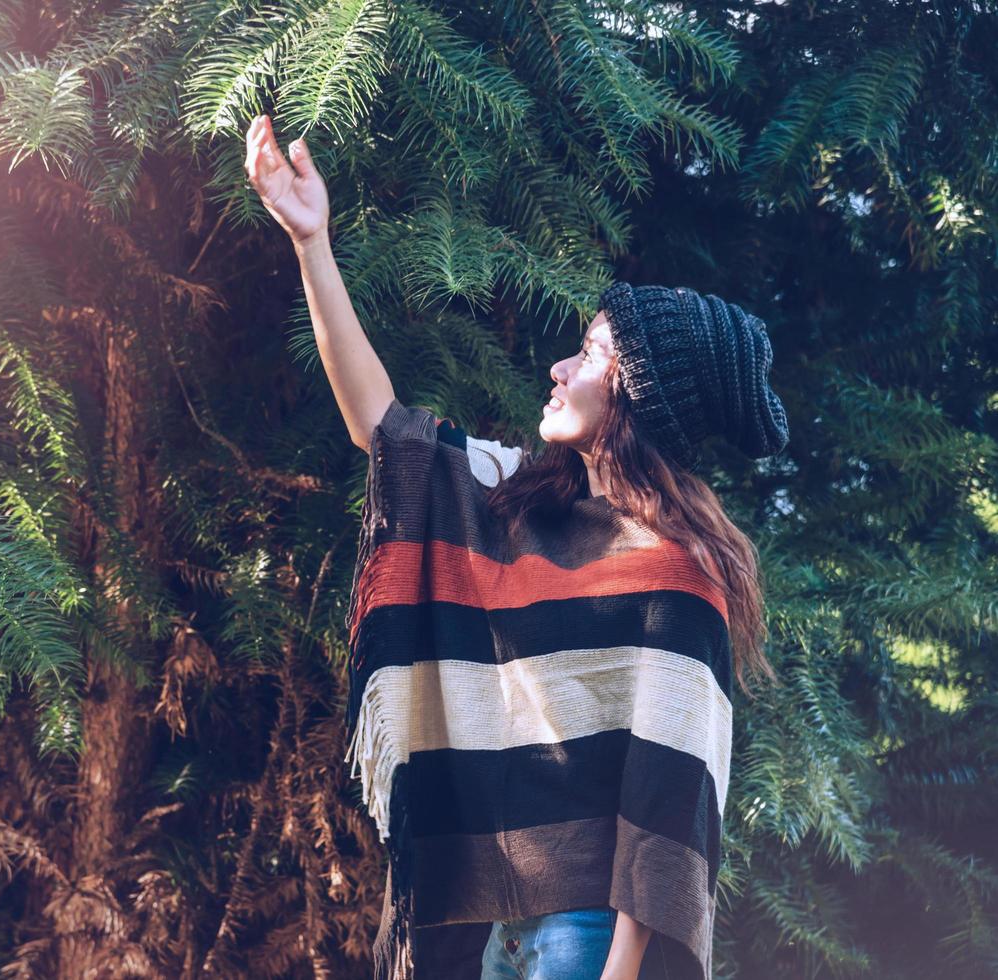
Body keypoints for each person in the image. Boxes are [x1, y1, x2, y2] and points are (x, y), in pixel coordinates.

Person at [244, 114, 788, 980]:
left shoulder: (679, 575)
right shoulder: (514, 500)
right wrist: (313, 244)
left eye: (590, 355)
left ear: (640, 392)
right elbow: (381, 426)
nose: (559, 370)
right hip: (476, 921)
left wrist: (617, 972)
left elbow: (669, 796)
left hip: (582, 938)